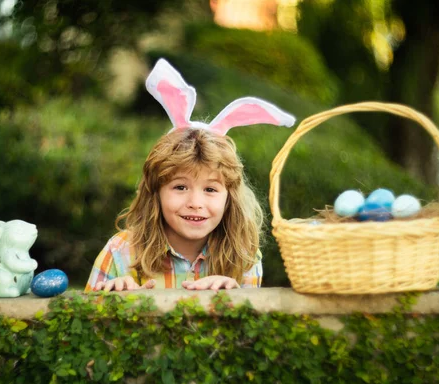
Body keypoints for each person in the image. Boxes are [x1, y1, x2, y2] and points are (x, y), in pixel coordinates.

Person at [85, 59, 295, 292]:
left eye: (210, 189)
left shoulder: (244, 256)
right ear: (156, 192)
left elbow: (250, 327)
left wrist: (236, 300)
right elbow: (80, 322)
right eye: (180, 187)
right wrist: (108, 303)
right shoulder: (120, 252)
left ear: (229, 197)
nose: (195, 203)